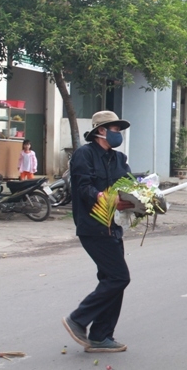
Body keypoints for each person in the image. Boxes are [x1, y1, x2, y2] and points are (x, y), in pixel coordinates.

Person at [62, 111, 135, 353]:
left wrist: (140, 199)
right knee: (119, 277)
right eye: (115, 129)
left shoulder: (119, 158)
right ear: (101, 131)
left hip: (113, 227)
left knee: (111, 280)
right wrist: (103, 197)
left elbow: (129, 186)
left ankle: (101, 336)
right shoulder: (84, 154)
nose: (118, 134)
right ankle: (78, 319)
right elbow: (83, 187)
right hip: (93, 227)